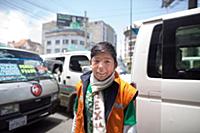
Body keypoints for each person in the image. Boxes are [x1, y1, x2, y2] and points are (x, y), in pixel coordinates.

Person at [71, 42, 138, 133]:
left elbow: (130, 127)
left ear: (115, 64)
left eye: (107, 61)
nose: (101, 67)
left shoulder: (125, 91)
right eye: (97, 61)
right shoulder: (82, 86)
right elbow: (77, 116)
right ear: (91, 63)